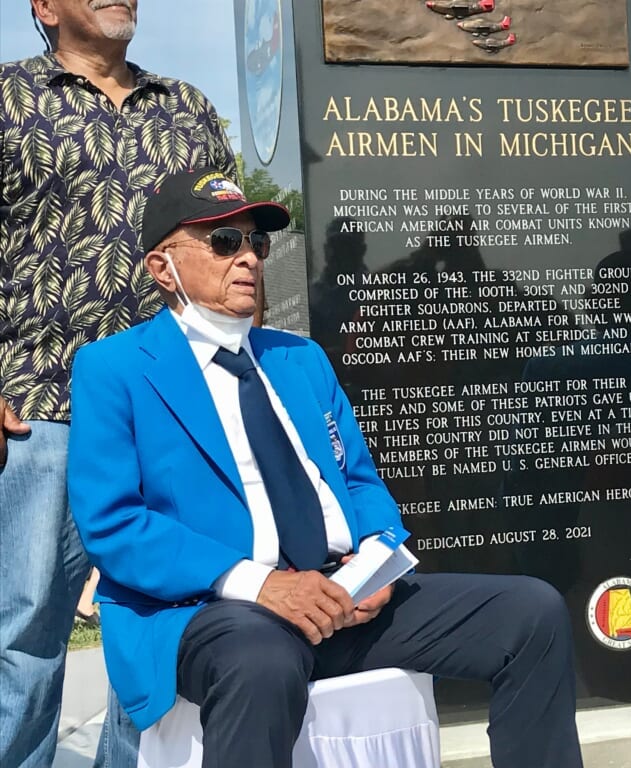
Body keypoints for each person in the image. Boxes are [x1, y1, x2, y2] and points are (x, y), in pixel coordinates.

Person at [65, 168, 583, 768]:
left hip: (339, 592)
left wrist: (376, 565)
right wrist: (262, 585)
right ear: (163, 267)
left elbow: (360, 481)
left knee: (532, 614)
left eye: (255, 243)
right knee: (261, 659)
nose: (249, 260)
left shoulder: (299, 359)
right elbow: (114, 525)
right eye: (224, 242)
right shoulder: (115, 368)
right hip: (210, 610)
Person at [0, 2, 237, 766]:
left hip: (168, 405)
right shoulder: (8, 97)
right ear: (43, 6)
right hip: (40, 408)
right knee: (29, 628)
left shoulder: (188, 107)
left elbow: (225, 240)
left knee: (166, 616)